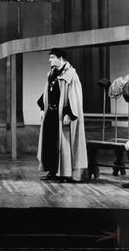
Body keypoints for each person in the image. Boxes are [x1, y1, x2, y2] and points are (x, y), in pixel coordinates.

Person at [37, 48, 87, 182]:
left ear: (60, 58)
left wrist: (69, 114)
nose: (49, 60)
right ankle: (52, 172)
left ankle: (64, 174)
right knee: (50, 143)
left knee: (63, 144)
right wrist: (42, 108)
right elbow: (47, 92)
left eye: (52, 57)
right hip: (51, 114)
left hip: (62, 115)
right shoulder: (52, 73)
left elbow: (75, 96)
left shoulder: (71, 75)